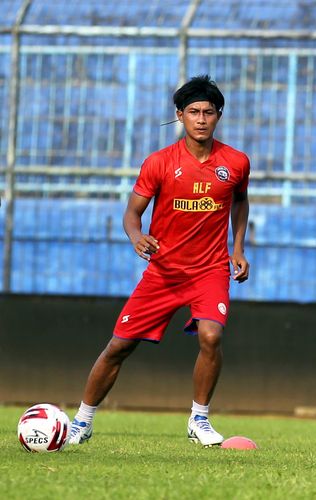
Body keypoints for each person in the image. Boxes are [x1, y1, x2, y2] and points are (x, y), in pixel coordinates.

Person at [67, 75, 251, 447]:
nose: (201, 119)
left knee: (211, 336)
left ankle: (199, 419)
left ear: (219, 116)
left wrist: (238, 248)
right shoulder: (159, 163)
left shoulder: (235, 163)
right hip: (164, 272)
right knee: (119, 346)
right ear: (180, 116)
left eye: (209, 112)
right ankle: (81, 421)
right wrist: (137, 238)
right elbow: (132, 214)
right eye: (194, 112)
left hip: (210, 270)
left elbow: (240, 201)